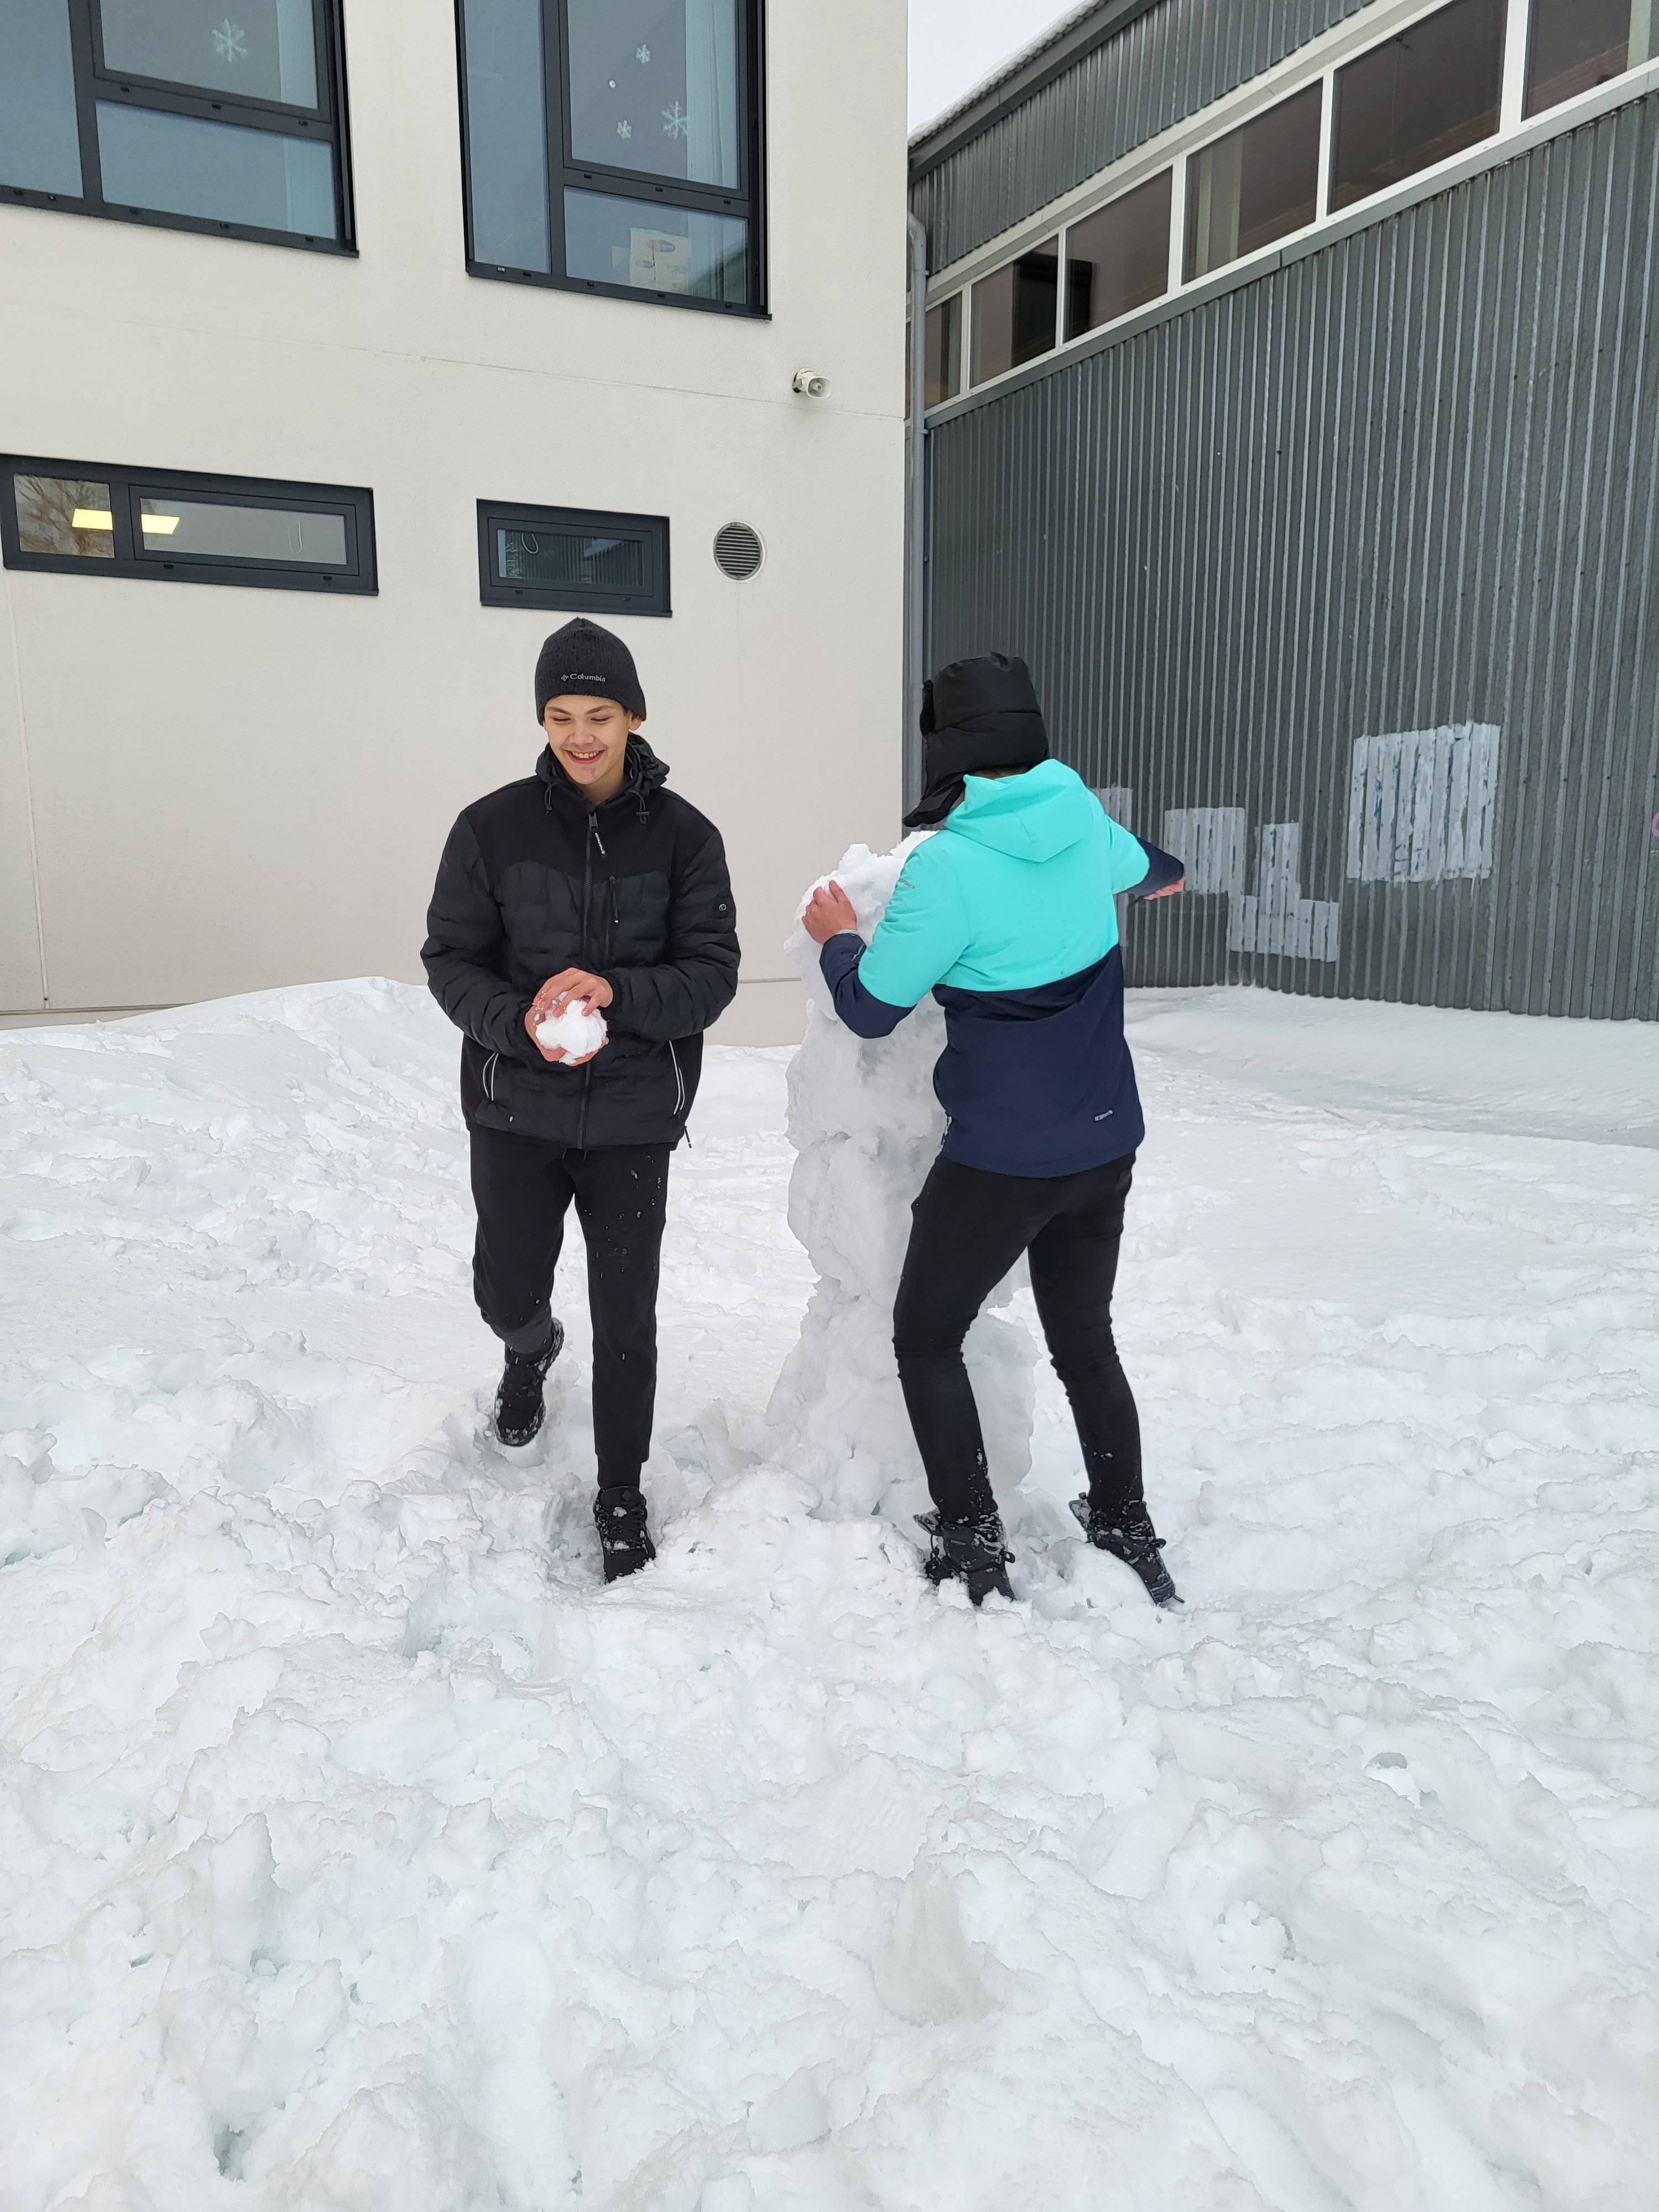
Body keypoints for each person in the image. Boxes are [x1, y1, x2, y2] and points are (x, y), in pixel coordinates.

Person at [802, 651, 1184, 1609]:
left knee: (927, 1335)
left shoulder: (948, 869)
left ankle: (972, 1542)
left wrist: (837, 937)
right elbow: (1155, 868)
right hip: (1105, 1141)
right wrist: (1161, 878)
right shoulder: (1084, 821)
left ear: (947, 750)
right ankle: (1127, 1526)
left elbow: (873, 1010)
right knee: (1086, 1341)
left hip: (1001, 1164)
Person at [422, 617, 739, 1580]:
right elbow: (451, 960)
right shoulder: (491, 828)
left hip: (634, 1116)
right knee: (507, 1288)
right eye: (560, 716)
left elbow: (711, 974)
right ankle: (529, 1349)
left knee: (627, 1315)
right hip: (516, 1105)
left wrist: (617, 993)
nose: (580, 736)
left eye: (599, 715)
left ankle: (621, 1491)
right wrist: (518, 1021)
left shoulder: (686, 838)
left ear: (634, 716)